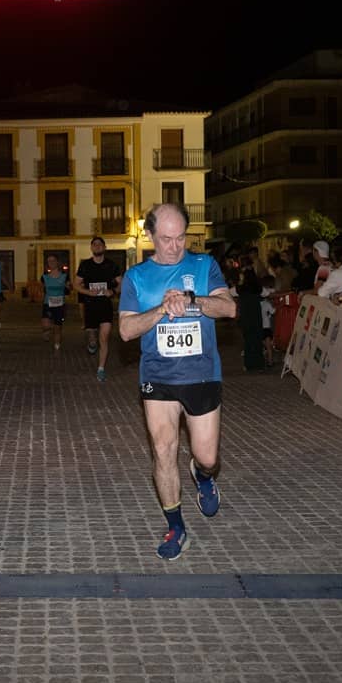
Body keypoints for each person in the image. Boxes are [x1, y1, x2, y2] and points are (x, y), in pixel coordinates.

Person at [118, 203, 236, 560]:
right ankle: (176, 527)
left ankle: (203, 475)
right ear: (150, 236)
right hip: (158, 377)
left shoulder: (204, 266)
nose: (174, 246)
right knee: (163, 449)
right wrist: (160, 310)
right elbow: (126, 330)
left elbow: (229, 308)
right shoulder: (136, 277)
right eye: (166, 239)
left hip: (201, 374)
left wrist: (190, 300)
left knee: (208, 456)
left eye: (181, 237)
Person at [76, 236, 122, 382]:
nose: (97, 246)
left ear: (104, 248)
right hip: (90, 305)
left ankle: (101, 368)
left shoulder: (111, 265)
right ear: (91, 248)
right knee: (92, 337)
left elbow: (122, 284)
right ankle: (91, 343)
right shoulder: (85, 265)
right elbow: (76, 284)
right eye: (94, 245)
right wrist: (88, 292)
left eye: (100, 244)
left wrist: (113, 291)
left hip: (105, 306)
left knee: (104, 338)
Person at [236, 268, 265, 372]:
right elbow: (266, 293)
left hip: (246, 316)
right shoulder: (258, 287)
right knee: (257, 340)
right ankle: (260, 364)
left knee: (248, 340)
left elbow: (231, 292)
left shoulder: (241, 288)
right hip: (256, 315)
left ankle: (248, 364)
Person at [40, 254, 70, 351]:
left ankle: (57, 346)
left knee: (58, 328)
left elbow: (70, 287)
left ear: (57, 262)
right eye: (49, 261)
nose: (51, 262)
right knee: (46, 325)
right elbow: (42, 289)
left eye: (53, 260)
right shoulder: (44, 277)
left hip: (60, 304)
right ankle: (47, 330)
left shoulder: (65, 276)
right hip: (48, 303)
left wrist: (68, 286)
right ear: (47, 264)